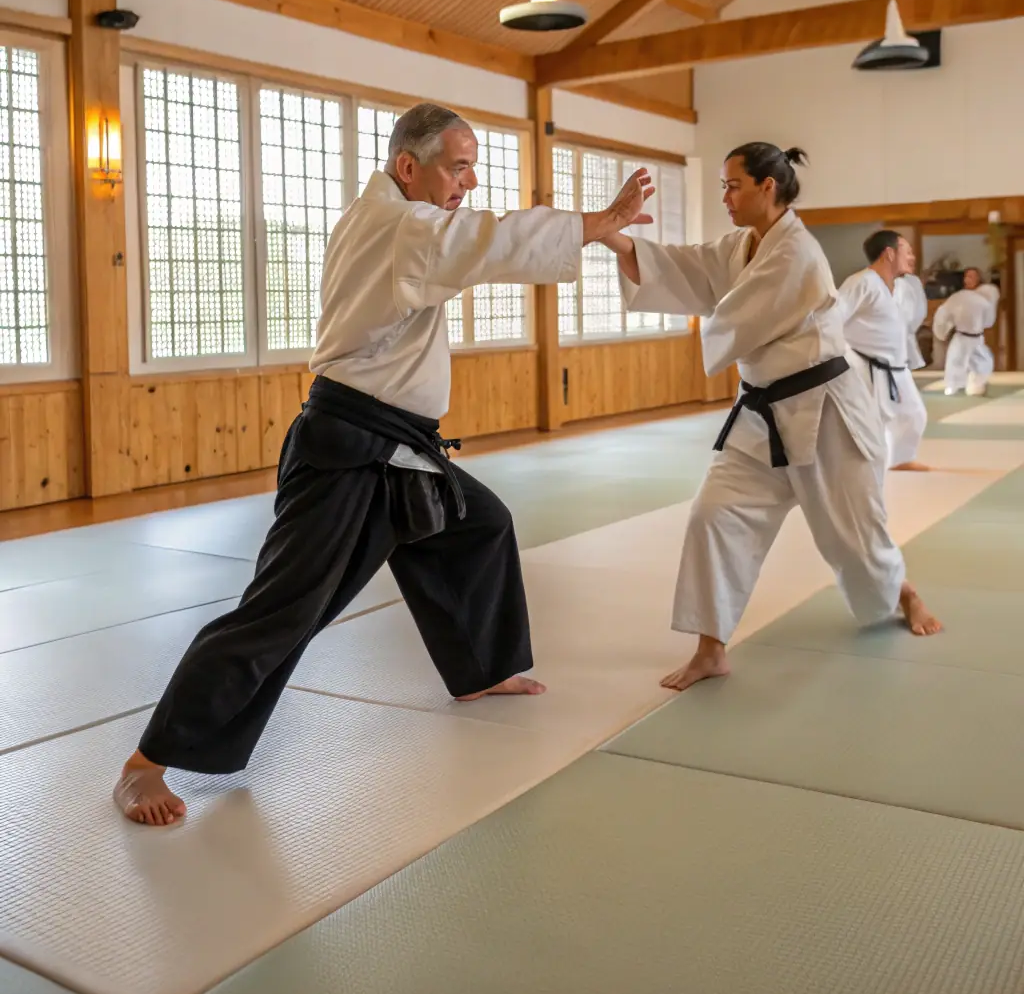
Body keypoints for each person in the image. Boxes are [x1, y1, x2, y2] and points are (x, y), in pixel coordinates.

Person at [114, 102, 655, 826]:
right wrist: (592, 223)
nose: (468, 181)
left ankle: (479, 670)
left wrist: (578, 229)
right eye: (456, 165)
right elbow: (484, 244)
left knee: (478, 523)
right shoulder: (399, 224)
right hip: (349, 447)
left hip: (400, 444)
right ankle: (146, 760)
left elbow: (472, 241)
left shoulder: (404, 223)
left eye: (472, 166)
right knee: (286, 608)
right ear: (409, 166)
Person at [598, 142, 941, 694]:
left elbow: (732, 310)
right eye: (723, 187)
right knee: (714, 515)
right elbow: (687, 267)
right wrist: (612, 235)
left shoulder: (797, 252)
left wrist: (620, 242)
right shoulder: (742, 244)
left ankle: (904, 594)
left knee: (854, 536)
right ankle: (710, 648)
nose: (726, 197)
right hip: (762, 412)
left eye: (733, 185)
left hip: (826, 412)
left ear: (768, 186)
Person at [838, 230, 929, 472]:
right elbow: (833, 318)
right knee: (866, 424)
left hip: (895, 367)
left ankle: (900, 459)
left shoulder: (899, 287)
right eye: (907, 251)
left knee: (913, 415)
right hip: (864, 366)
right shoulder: (861, 282)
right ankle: (855, 470)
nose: (912, 257)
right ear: (889, 253)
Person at [933, 267, 999, 396]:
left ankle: (976, 384)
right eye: (967, 276)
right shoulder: (958, 297)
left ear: (979, 278)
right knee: (956, 360)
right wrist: (942, 331)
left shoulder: (986, 294)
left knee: (983, 361)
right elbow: (944, 313)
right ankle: (953, 385)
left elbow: (988, 319)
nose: (969, 279)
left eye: (972, 276)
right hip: (961, 336)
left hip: (976, 337)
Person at [893, 269, 928, 373]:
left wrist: (909, 329)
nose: (911, 258)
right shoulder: (875, 279)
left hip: (905, 334)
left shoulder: (912, 281)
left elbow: (920, 310)